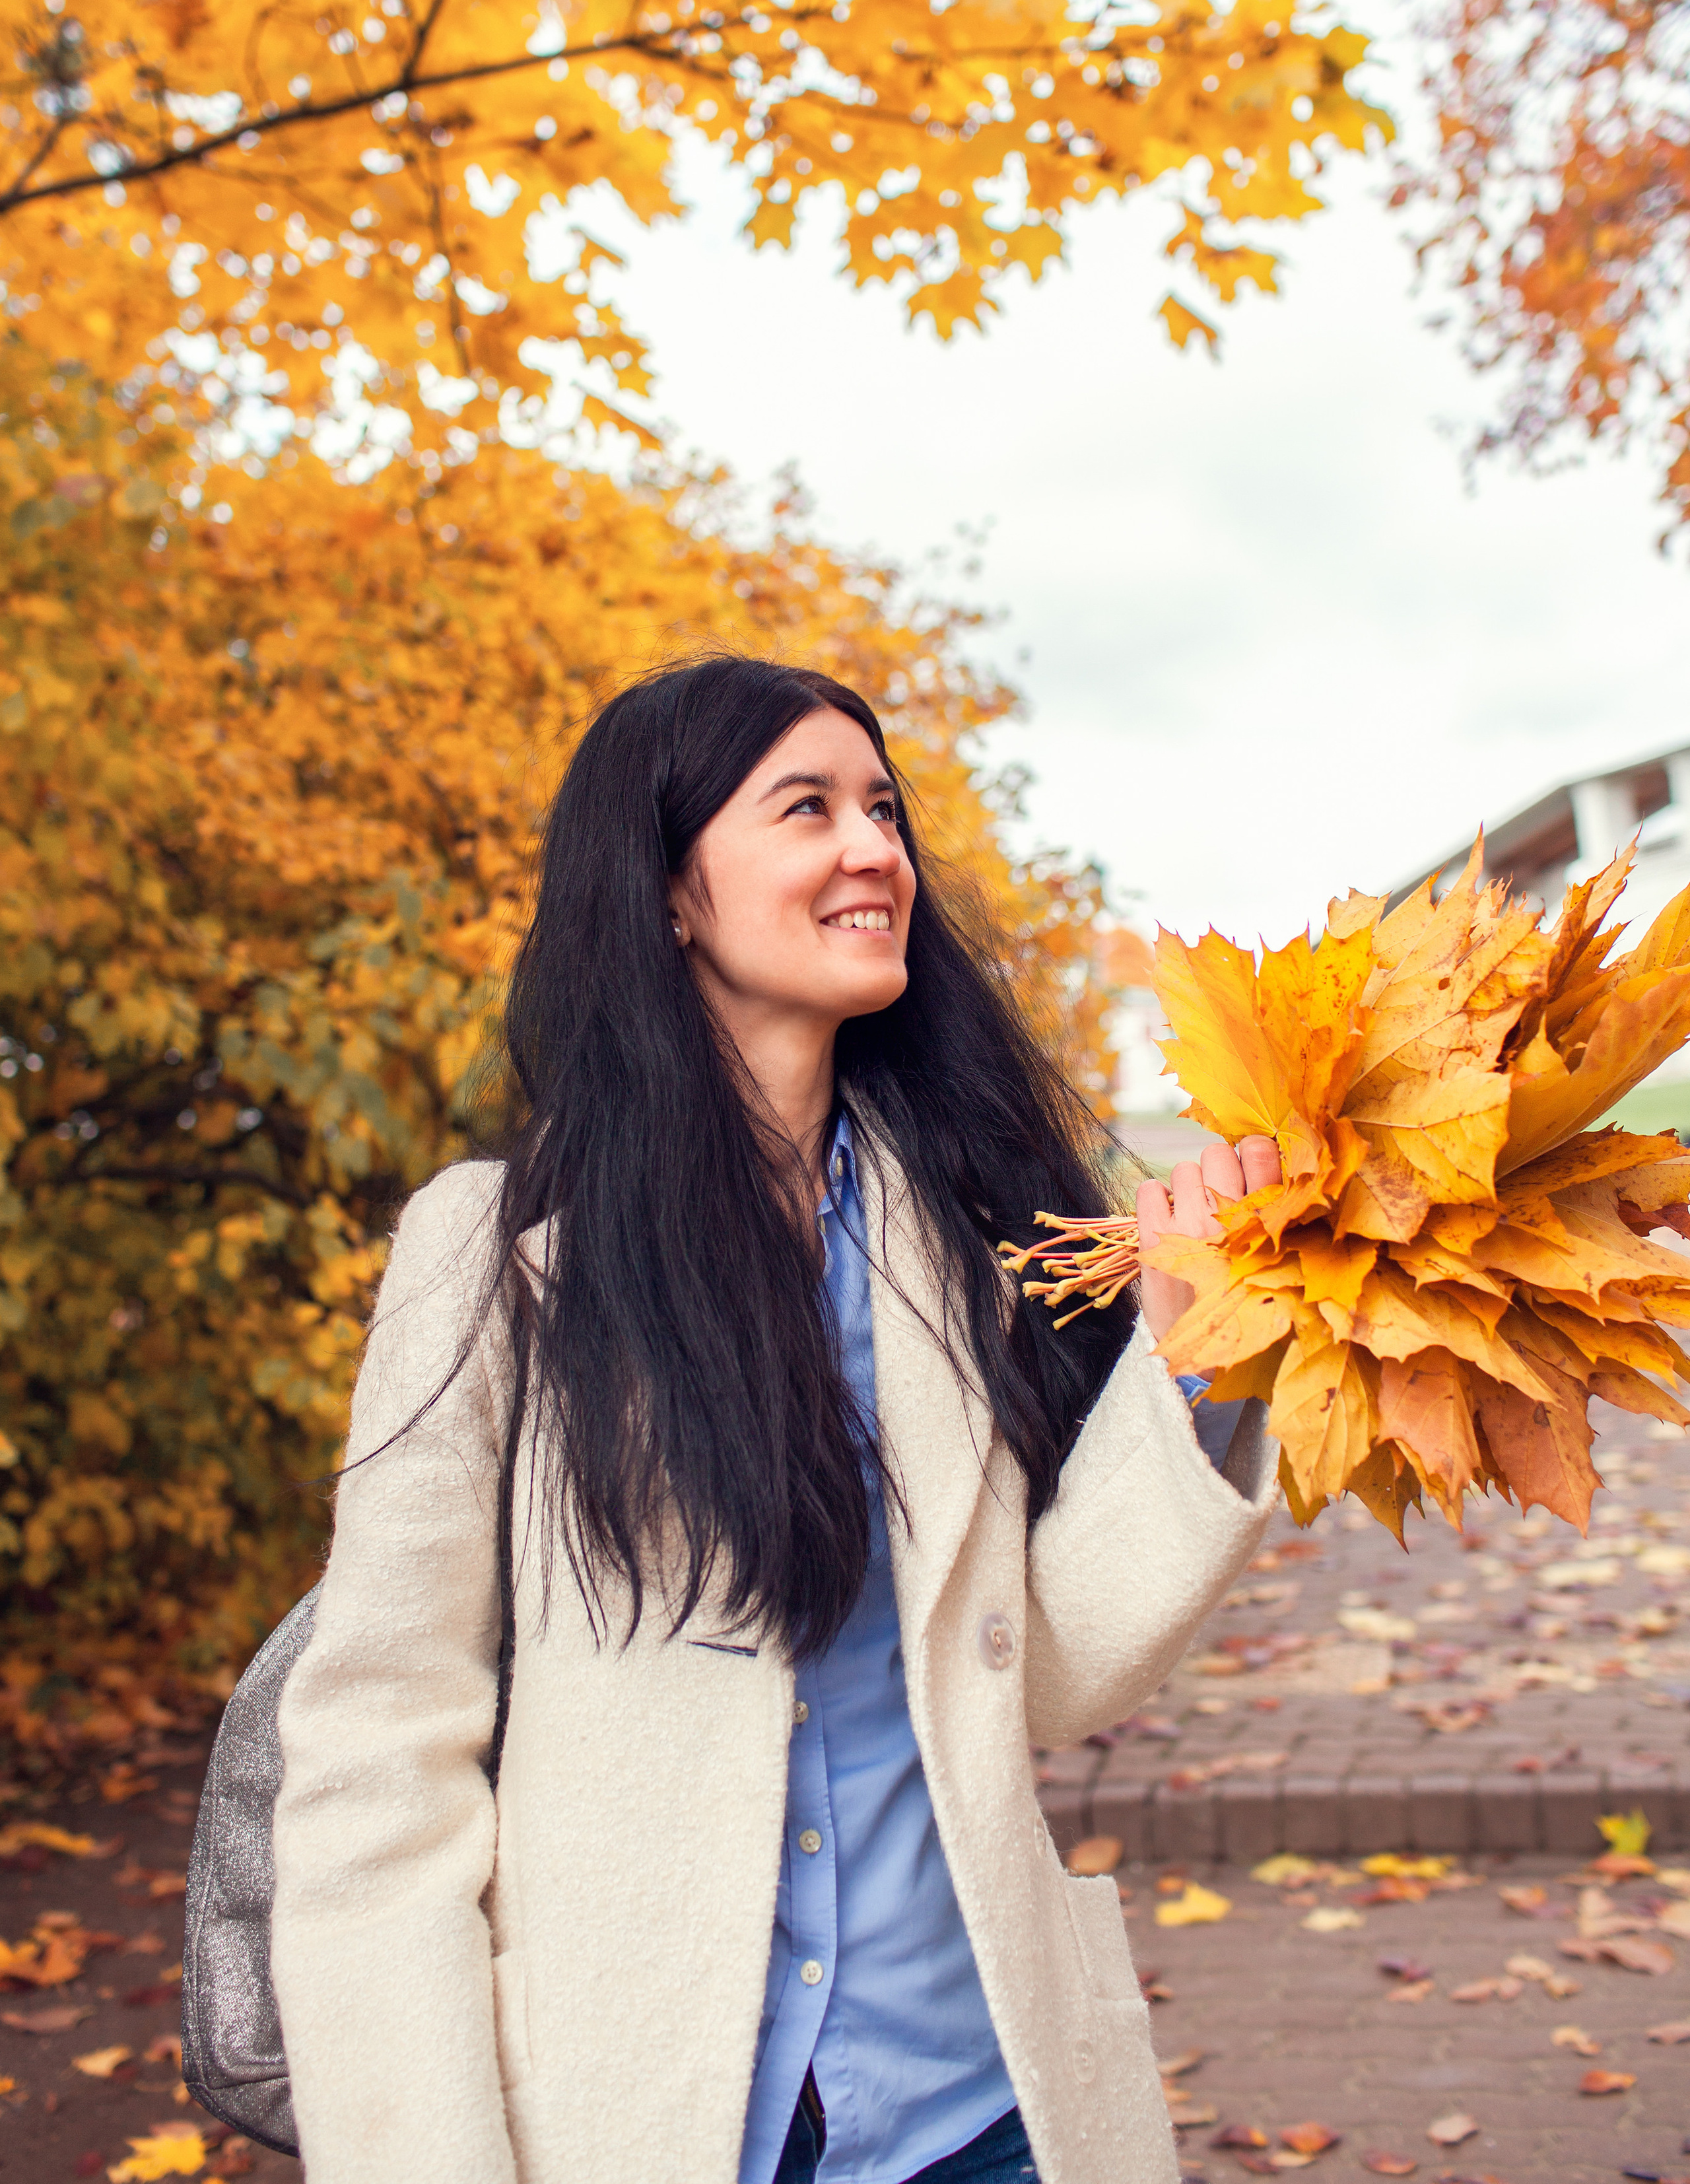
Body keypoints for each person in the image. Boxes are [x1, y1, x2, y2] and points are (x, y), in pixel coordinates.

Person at [271, 654, 1283, 2184]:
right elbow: (376, 1771)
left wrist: (1192, 1367)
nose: (872, 848)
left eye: (880, 808)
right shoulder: (493, 1261)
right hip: (639, 2119)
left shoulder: (970, 1235)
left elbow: (1045, 1678)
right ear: (669, 890)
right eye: (804, 807)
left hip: (979, 2107)